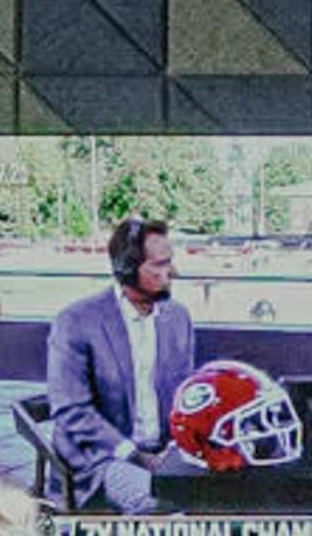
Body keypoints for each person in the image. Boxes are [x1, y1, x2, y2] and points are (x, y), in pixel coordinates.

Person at [41, 211, 197, 511]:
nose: (173, 272)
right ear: (127, 269)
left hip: (166, 455)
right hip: (101, 461)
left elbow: (186, 396)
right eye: (160, 265)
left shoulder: (178, 318)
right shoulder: (75, 322)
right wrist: (135, 455)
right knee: (159, 509)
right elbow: (71, 410)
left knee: (223, 500)